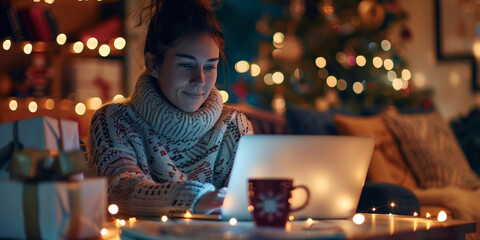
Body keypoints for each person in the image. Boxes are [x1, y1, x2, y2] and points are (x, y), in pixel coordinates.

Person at [87, 0, 253, 217]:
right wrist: (193, 199)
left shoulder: (233, 126)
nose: (200, 80)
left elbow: (249, 201)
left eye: (209, 66)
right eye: (186, 65)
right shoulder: (114, 121)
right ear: (154, 64)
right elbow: (120, 190)